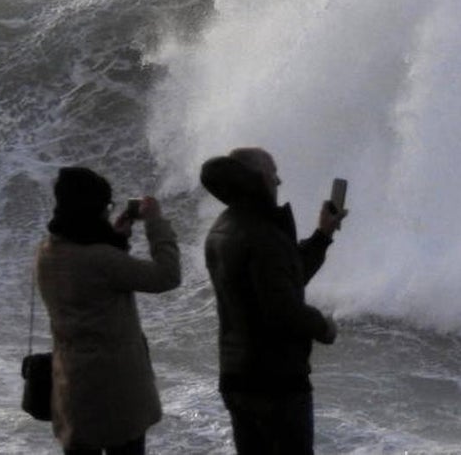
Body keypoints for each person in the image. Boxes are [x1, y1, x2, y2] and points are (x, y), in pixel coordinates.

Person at [201, 147, 346, 455]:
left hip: (237, 375)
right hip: (275, 381)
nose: (279, 181)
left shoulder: (223, 228)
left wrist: (322, 234)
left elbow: (282, 279)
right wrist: (325, 327)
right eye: (274, 173)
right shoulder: (261, 233)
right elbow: (284, 309)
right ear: (259, 178)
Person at [35, 167, 182, 455]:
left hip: (71, 384)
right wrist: (155, 223)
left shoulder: (47, 252)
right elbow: (167, 276)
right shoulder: (103, 260)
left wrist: (116, 241)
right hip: (116, 389)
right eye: (106, 205)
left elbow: (92, 280)